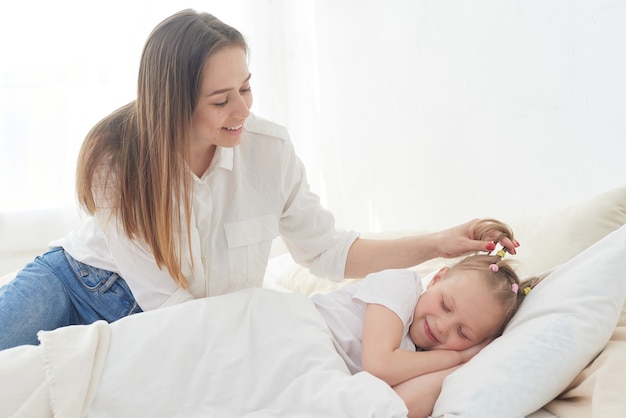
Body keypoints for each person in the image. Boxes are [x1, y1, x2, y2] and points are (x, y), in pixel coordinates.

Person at [0, 9, 519, 351]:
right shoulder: (122, 161)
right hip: (79, 283)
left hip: (162, 329)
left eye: (246, 88)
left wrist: (440, 244)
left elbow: (328, 253)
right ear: (173, 103)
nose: (243, 110)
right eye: (221, 100)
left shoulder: (269, 151)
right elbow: (171, 309)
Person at [312, 219, 543, 418]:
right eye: (445, 305)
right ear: (437, 279)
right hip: (300, 333)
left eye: (463, 333)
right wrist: (458, 355)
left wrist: (468, 363)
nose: (442, 327)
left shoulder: (421, 360)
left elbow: (397, 408)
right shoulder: (401, 285)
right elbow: (379, 366)